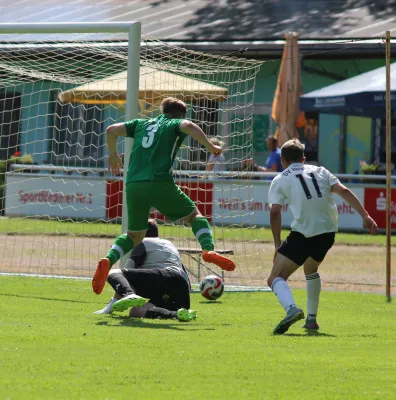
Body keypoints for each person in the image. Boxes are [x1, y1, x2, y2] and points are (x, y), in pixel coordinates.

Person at [92, 97, 236, 295]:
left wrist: (113, 154)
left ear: (162, 110)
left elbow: (111, 131)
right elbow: (189, 126)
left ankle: (109, 259)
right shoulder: (175, 123)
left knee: (134, 235)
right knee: (195, 216)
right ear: (181, 114)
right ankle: (208, 250)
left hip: (133, 184)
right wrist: (211, 147)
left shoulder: (141, 123)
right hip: (159, 182)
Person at [267, 139, 378, 334]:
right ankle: (311, 320)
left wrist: (277, 244)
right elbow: (344, 191)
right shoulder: (320, 171)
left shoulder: (281, 178)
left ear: (283, 160)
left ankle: (291, 310)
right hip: (327, 233)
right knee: (311, 269)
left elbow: (275, 212)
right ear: (303, 158)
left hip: (304, 233)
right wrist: (366, 216)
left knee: (275, 278)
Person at [94, 219, 197, 322]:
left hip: (164, 278)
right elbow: (183, 273)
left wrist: (110, 306)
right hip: (182, 288)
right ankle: (176, 314)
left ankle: (129, 294)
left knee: (114, 273)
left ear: (141, 232)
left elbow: (126, 275)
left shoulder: (142, 242)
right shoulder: (169, 244)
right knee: (136, 311)